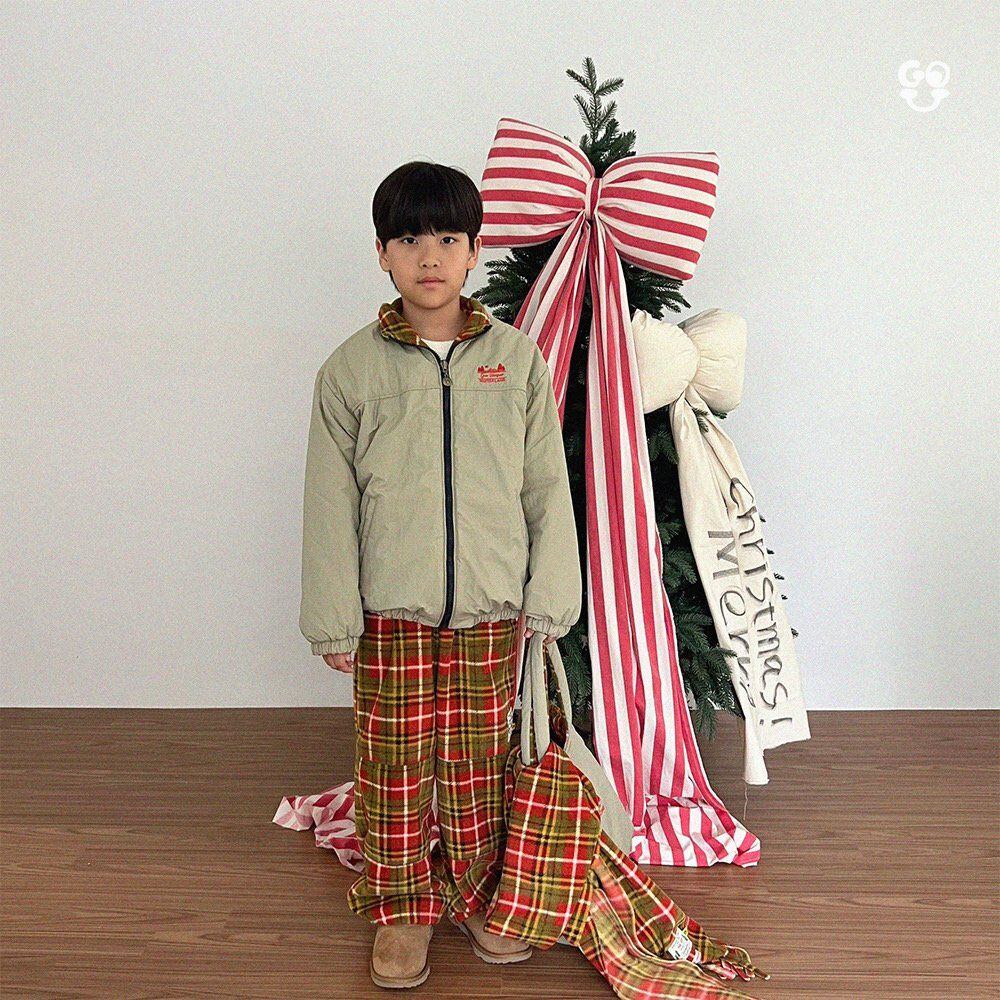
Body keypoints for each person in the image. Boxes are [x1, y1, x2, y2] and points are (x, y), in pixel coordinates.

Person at [298, 160, 582, 989]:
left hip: (492, 609)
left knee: (476, 768)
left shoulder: (516, 361)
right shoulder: (350, 371)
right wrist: (333, 617)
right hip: (391, 611)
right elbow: (328, 500)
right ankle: (401, 909)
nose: (430, 256)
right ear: (382, 253)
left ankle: (478, 895)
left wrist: (550, 595)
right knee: (393, 769)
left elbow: (545, 485)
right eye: (410, 239)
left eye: (449, 238)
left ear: (474, 250)